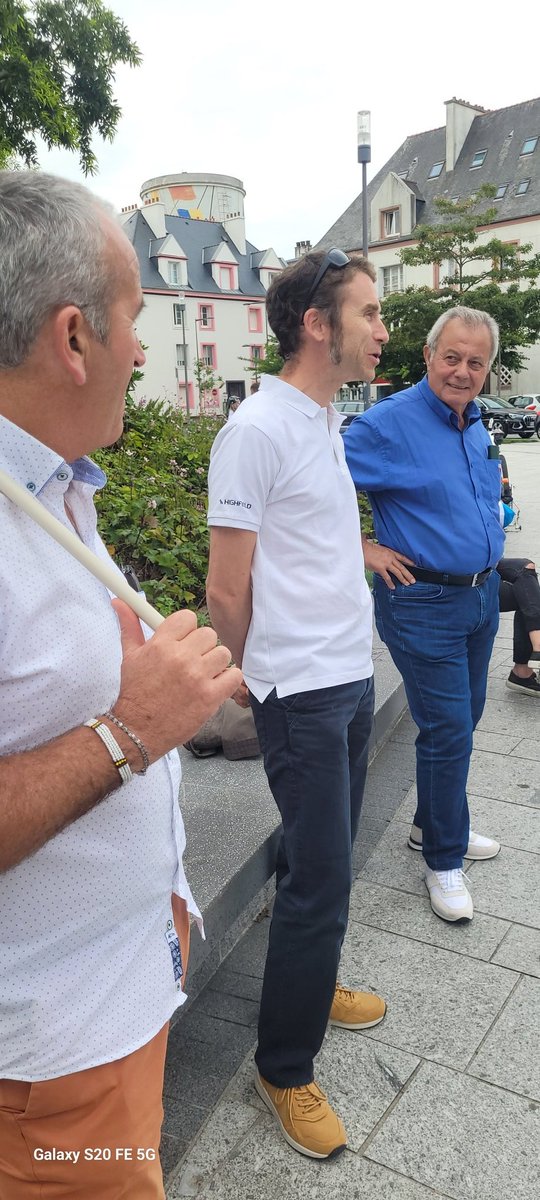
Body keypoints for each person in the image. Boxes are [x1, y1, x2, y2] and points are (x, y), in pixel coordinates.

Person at [0, 171, 242, 1200]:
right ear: (73, 338)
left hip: (116, 994)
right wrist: (135, 725)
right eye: (136, 315)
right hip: (55, 1061)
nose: (145, 350)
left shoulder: (53, 478)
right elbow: (112, 727)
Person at [206, 248, 389, 1160]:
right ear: (317, 324)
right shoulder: (257, 430)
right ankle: (283, 1067)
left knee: (331, 860)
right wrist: (243, 677)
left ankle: (313, 987)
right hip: (300, 692)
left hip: (348, 675)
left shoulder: (322, 420)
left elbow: (313, 539)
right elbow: (227, 588)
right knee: (318, 878)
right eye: (369, 313)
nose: (382, 330)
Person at [344, 307, 505, 926]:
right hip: (423, 605)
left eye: (475, 362)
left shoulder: (475, 422)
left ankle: (430, 825)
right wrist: (363, 547)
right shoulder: (387, 425)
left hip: (480, 597)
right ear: (430, 356)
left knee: (466, 721)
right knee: (448, 731)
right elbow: (300, 487)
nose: (462, 372)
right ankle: (443, 861)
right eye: (452, 357)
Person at [498, 558, 540, 696]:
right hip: (450, 573)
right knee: (528, 594)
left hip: (483, 564)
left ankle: (525, 666)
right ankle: (522, 672)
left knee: (526, 567)